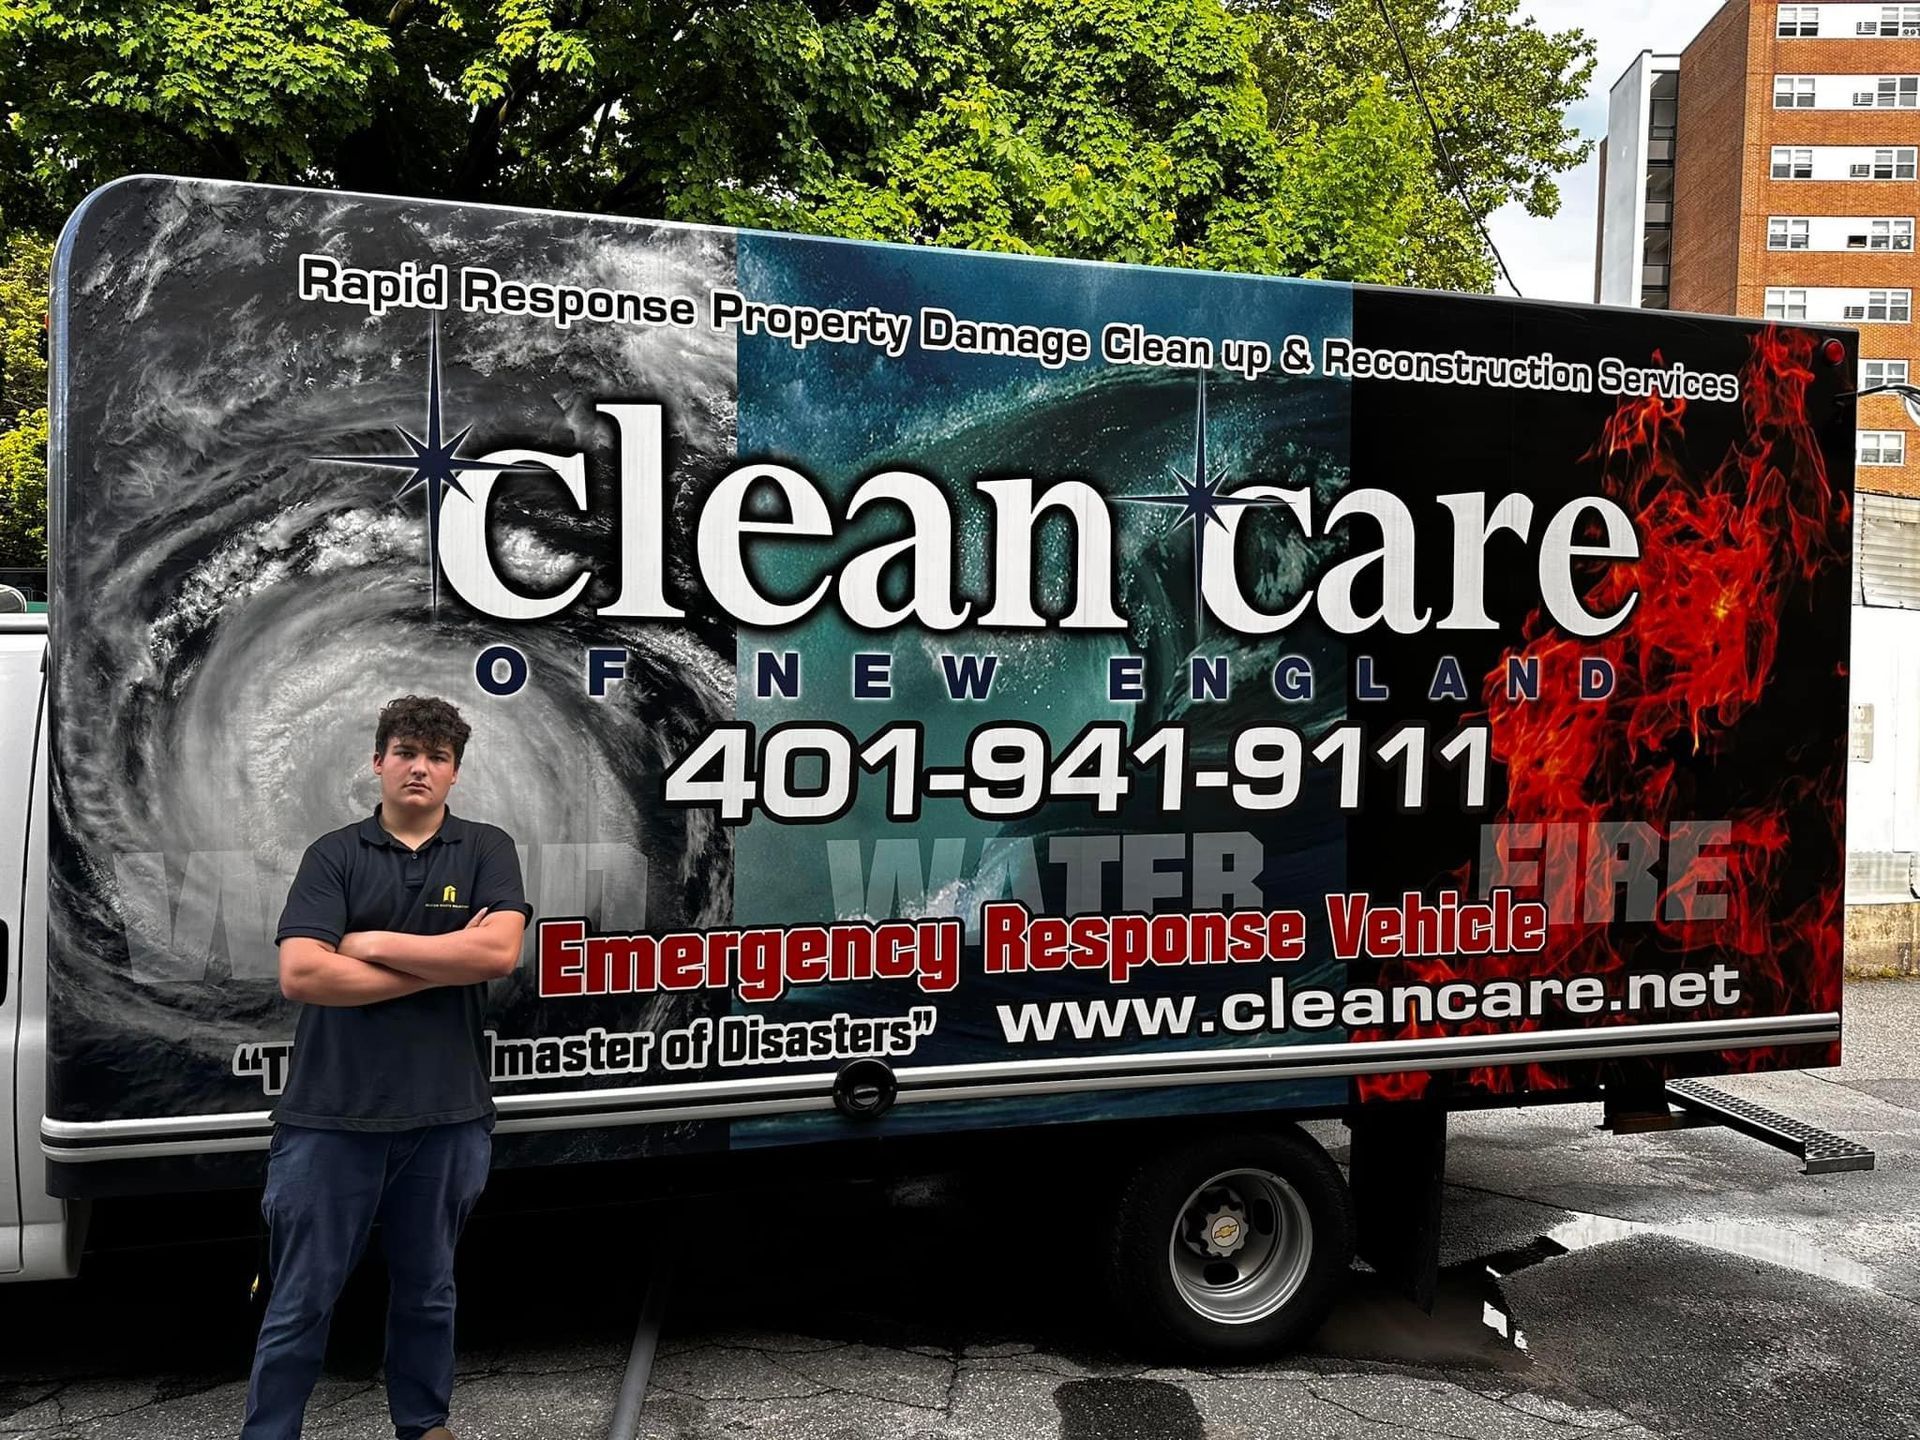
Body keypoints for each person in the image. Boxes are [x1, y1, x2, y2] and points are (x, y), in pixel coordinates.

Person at [242, 695, 530, 1440]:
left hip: (447, 1116)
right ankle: (269, 1433)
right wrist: (442, 965)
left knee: (429, 1292)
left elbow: (498, 954)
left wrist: (365, 944)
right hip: (329, 1118)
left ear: (454, 774)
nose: (419, 768)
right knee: (302, 1297)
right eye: (406, 752)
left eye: (436, 757)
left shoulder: (486, 849)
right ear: (378, 762)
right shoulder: (334, 855)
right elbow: (304, 975)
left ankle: (424, 1426)